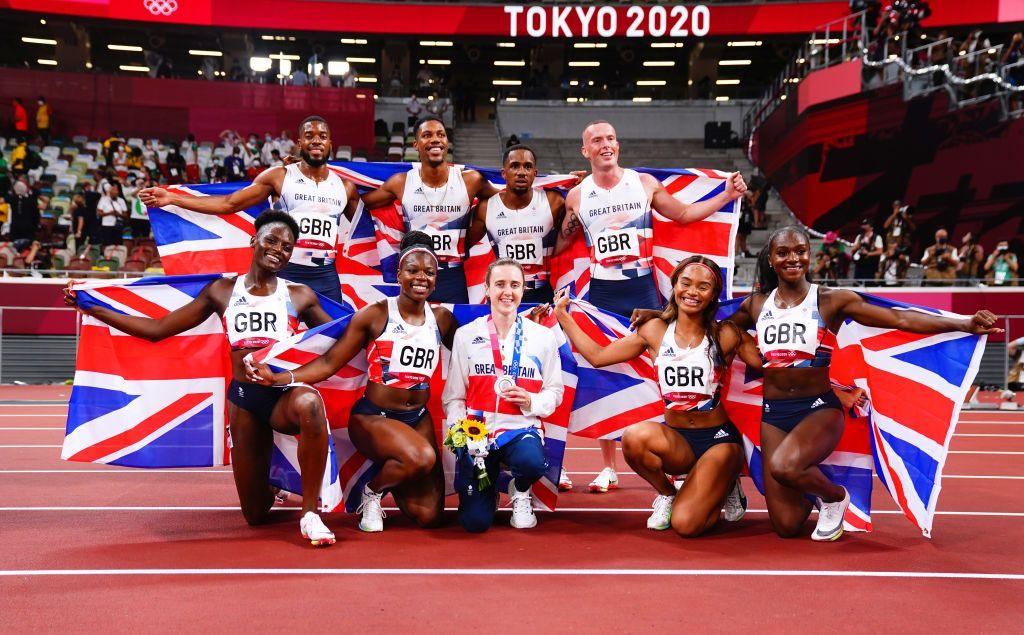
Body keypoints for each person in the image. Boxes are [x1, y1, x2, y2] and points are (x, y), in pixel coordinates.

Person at [63, 211, 338, 545]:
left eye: (287, 246)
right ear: (254, 241)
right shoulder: (222, 291)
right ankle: (272, 480)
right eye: (271, 240)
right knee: (255, 515)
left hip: (284, 396)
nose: (278, 249)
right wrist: (94, 308)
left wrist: (294, 374)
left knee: (310, 402)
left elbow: (338, 341)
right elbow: (157, 329)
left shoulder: (299, 295)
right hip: (245, 403)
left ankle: (311, 513)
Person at [727, 226, 1000, 541]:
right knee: (786, 526)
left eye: (800, 251)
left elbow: (899, 319)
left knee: (783, 467)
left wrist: (963, 323)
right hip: (774, 414)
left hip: (817, 409)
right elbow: (720, 330)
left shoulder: (830, 300)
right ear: (771, 259)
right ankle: (806, 475)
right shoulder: (756, 305)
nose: (793, 258)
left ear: (809, 254)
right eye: (783, 253)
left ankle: (834, 497)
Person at [556, 120, 747, 493]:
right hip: (602, 294)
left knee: (667, 367)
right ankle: (608, 467)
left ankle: (679, 446)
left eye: (610, 138)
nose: (605, 144)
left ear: (618, 144)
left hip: (643, 292)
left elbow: (684, 215)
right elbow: (563, 241)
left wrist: (725, 195)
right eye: (597, 140)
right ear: (586, 151)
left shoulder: (642, 184)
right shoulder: (578, 196)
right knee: (605, 375)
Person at [250, 232, 458, 532]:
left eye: (429, 272)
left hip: (417, 419)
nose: (420, 278)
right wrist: (280, 378)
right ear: (399, 273)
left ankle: (398, 467)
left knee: (429, 516)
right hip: (374, 418)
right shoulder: (375, 315)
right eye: (413, 270)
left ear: (437, 279)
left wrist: (535, 320)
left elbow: (475, 347)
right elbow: (329, 362)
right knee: (422, 457)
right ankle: (371, 492)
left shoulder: (441, 319)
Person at [551, 256, 755, 536]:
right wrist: (563, 315)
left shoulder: (727, 334)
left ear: (713, 295)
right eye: (686, 283)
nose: (692, 292)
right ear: (674, 285)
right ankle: (668, 493)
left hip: (718, 442)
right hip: (678, 440)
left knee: (687, 526)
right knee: (634, 438)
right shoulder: (654, 330)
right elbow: (598, 356)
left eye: (703, 286)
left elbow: (769, 365)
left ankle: (725, 480)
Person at [140, 116, 358, 304]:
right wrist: (172, 198)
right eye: (309, 136)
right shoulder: (280, 176)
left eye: (322, 136)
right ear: (300, 142)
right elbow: (229, 204)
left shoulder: (345, 187)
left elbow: (368, 225)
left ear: (330, 142)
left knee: (331, 340)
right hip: (284, 271)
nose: (316, 140)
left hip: (325, 276)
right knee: (279, 341)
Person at [443, 258, 563, 531]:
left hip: (521, 428)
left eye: (515, 285)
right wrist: (459, 430)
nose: (507, 292)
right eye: (499, 284)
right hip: (477, 433)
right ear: (486, 289)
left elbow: (555, 392)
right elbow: (454, 396)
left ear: (523, 291)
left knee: (531, 462)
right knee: (474, 524)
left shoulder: (543, 337)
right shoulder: (466, 335)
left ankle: (520, 489)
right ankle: (489, 491)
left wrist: (532, 401)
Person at [360, 115, 499, 303]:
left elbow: (502, 200)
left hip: (453, 275)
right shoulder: (402, 182)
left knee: (453, 331)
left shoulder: (470, 180)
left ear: (447, 142)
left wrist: (469, 239)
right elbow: (361, 204)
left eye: (440, 134)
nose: (435, 139)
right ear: (416, 144)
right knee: (414, 331)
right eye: (427, 135)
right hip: (416, 275)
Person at [465, 144, 565, 305]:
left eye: (527, 166)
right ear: (504, 173)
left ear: (535, 173)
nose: (521, 172)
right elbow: (463, 247)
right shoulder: (486, 208)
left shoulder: (553, 202)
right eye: (514, 166)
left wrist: (575, 185)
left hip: (540, 293)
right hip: (503, 296)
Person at [850, 219, 883, 285]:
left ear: (871, 227)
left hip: (870, 264)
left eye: (866, 225)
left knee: (869, 283)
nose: (863, 226)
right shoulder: (860, 236)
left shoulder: (876, 237)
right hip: (860, 263)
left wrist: (868, 253)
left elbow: (880, 251)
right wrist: (858, 246)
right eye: (863, 225)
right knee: (857, 283)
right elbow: (852, 250)